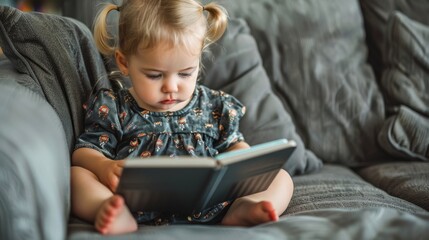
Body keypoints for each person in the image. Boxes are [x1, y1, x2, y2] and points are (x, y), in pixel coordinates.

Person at [71, 0, 294, 235]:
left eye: (186, 73)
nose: (171, 87)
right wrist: (104, 165)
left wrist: (243, 160)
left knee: (281, 177)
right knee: (77, 175)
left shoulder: (215, 105)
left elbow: (233, 145)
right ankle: (106, 209)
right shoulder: (114, 107)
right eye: (155, 75)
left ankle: (242, 209)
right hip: (133, 202)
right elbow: (85, 151)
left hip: (212, 206)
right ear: (124, 62)